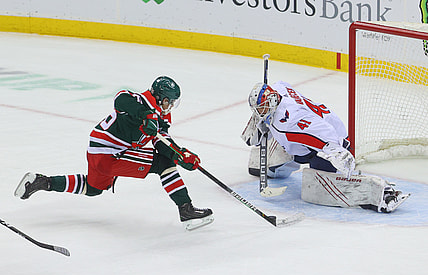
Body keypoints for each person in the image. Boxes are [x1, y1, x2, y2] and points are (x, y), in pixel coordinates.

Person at [15, 76, 213, 231]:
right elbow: (121, 99)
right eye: (169, 102)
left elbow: (161, 141)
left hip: (100, 151)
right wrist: (145, 115)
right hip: (109, 153)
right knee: (163, 165)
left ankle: (43, 182)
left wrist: (179, 154)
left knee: (93, 188)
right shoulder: (138, 101)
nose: (170, 107)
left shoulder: (163, 115)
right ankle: (185, 209)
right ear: (161, 97)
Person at [241, 80, 410, 213]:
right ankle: (281, 166)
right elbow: (281, 84)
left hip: (328, 145)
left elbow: (320, 132)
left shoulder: (286, 124)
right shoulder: (279, 89)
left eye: (261, 109)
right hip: (308, 140)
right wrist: (260, 122)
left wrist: (335, 150)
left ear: (271, 101)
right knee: (261, 163)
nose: (259, 112)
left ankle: (382, 194)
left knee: (316, 190)